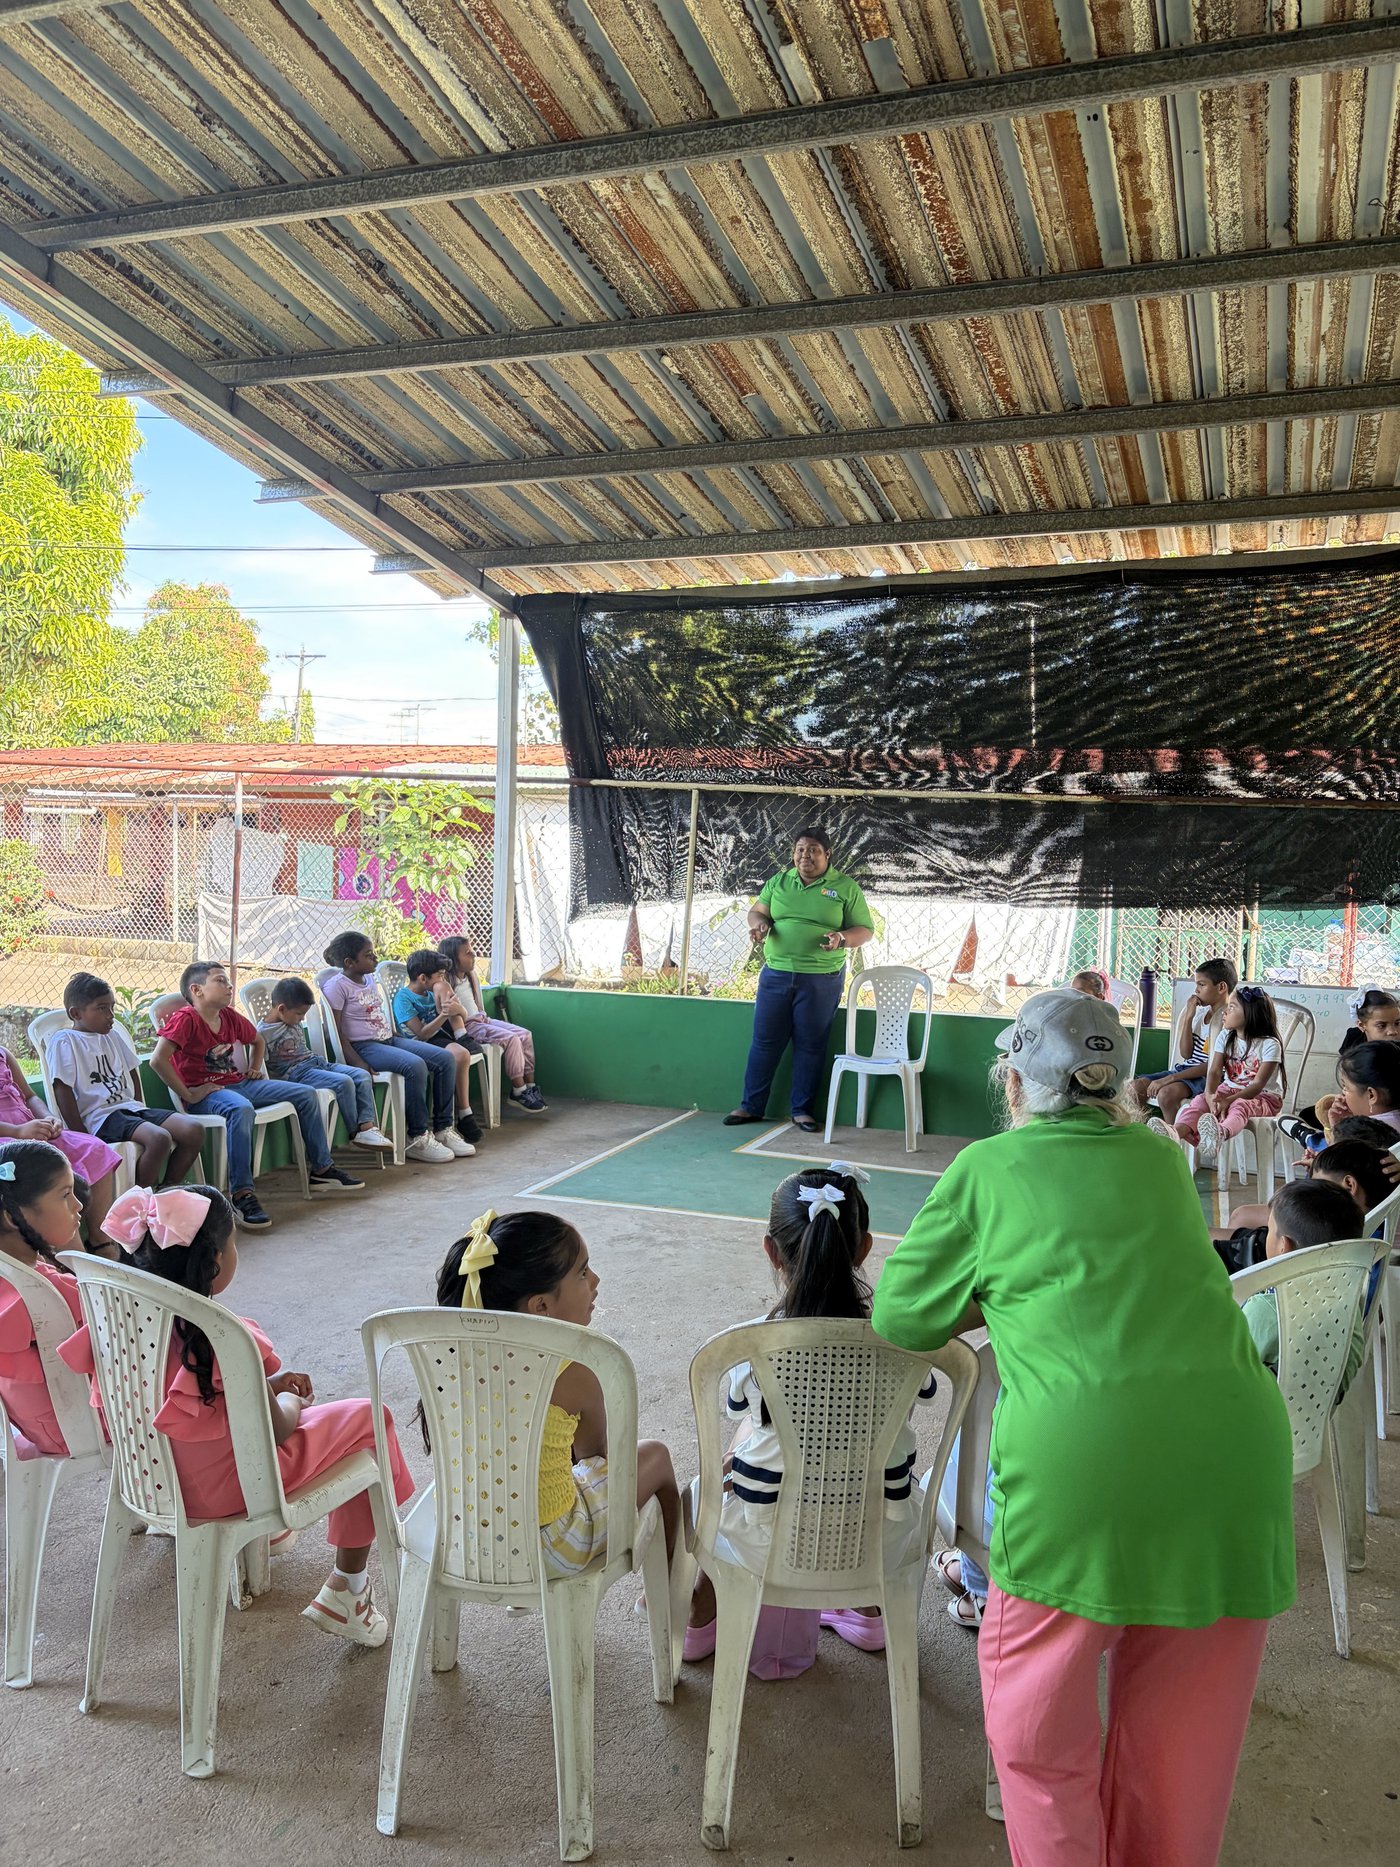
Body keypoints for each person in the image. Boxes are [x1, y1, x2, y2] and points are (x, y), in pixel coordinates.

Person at [871, 988, 1295, 1867]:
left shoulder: (989, 1169)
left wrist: (992, 1292)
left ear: (1013, 1082)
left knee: (1037, 1741)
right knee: (1180, 1758)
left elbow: (904, 1315)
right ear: (1117, 1088)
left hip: (1083, 1477)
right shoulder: (1161, 1161)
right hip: (1237, 1462)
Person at [59, 1183, 415, 1644]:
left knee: (316, 1424)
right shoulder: (220, 1336)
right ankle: (348, 1588)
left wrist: (265, 1386)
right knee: (370, 1419)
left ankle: (273, 1542)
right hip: (232, 1489)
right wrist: (291, 1400)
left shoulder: (122, 1324)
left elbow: (194, 1405)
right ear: (215, 1260)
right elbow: (279, 1429)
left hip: (157, 1481)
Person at [683, 1163, 937, 1674]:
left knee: (738, 1449)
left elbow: (744, 1414)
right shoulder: (903, 1339)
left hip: (767, 1544)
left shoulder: (752, 1344)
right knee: (878, 1439)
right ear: (864, 1248)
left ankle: (698, 1610)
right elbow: (910, 1406)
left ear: (771, 1250)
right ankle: (867, 1608)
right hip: (877, 1544)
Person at [426, 1209, 679, 1575]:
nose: (595, 1279)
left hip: (459, 1534)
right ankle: (676, 1592)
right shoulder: (576, 1368)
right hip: (549, 1547)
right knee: (655, 1455)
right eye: (583, 1272)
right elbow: (595, 1456)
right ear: (541, 1305)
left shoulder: (448, 1359)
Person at [152, 962, 364, 1230]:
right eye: (220, 981)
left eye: (228, 981)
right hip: (209, 1093)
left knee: (306, 1094)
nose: (229, 986)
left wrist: (254, 1067)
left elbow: (257, 1041)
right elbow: (157, 1060)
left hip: (239, 1084)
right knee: (240, 1108)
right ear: (197, 990)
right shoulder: (186, 1019)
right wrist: (189, 1095)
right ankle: (241, 1194)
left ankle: (321, 1170)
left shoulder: (228, 1016)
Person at [725, 828, 874, 1134]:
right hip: (776, 974)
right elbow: (757, 912)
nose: (806, 855)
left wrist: (841, 938)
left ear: (827, 854)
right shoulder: (779, 882)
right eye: (800, 850)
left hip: (821, 979)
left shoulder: (844, 887)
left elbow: (865, 930)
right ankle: (751, 1106)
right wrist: (760, 925)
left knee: (810, 1044)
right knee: (765, 1042)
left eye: (814, 850)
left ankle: (802, 1111)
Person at [48, 971, 204, 1191]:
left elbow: (132, 1071)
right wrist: (82, 1135)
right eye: (102, 1008)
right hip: (101, 1118)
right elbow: (62, 1089)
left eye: (112, 1007)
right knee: (159, 1139)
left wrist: (139, 1104)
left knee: (193, 1130)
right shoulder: (65, 1041)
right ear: (76, 1013)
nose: (110, 1015)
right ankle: (140, 1200)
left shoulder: (112, 1035)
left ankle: (166, 1189)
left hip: (131, 1109)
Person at [320, 933, 468, 1165]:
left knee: (445, 1058)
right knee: (415, 1066)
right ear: (350, 962)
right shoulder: (336, 987)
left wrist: (392, 1034)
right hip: (364, 1047)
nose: (375, 958)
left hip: (389, 1039)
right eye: (368, 955)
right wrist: (357, 1061)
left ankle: (443, 1129)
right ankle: (417, 1137)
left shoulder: (369, 978)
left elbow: (375, 1014)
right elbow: (334, 1032)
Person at [1240, 1178, 1370, 1398]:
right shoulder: (1349, 1306)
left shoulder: (1264, 1309)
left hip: (1260, 1412)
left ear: (1284, 1245)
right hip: (1320, 1409)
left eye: (1270, 1230)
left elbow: (1230, 1368)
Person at [0, 1139, 87, 1457]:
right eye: (65, 1195)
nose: (78, 1205)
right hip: (78, 1426)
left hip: (34, 1425)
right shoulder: (48, 1291)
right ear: (13, 1217)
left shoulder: (10, 1275)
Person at [255, 976, 393, 1153]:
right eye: (299, 1014)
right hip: (297, 1073)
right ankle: (355, 1132)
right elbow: (263, 1066)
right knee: (344, 1082)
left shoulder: (290, 1018)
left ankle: (367, 1127)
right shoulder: (263, 1033)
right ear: (281, 1009)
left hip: (317, 1062)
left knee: (362, 1075)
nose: (301, 1019)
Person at [0, 1040, 119, 1239]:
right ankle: (72, 1251)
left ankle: (101, 1240)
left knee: (95, 1149)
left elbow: (29, 1097)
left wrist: (48, 1118)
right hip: (8, 1139)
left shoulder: (3, 1054)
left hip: (30, 1129)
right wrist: (17, 1132)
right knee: (45, 1170)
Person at [1167, 984, 1284, 1168]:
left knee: (1240, 1105)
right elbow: (1214, 1071)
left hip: (1264, 1097)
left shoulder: (1270, 1045)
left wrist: (1228, 1101)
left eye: (1232, 1007)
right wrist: (1210, 1095)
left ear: (1250, 1014)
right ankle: (1175, 1132)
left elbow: (1257, 1085)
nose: (1225, 1011)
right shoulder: (1226, 1036)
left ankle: (1220, 1133)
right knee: (1199, 1102)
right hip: (1228, 1090)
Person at [439, 934, 548, 1114]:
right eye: (467, 952)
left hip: (482, 1019)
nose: (473, 955)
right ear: (452, 959)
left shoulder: (470, 975)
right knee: (511, 1039)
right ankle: (518, 1090)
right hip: (469, 1026)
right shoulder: (446, 983)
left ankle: (530, 1087)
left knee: (525, 1035)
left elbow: (477, 1005)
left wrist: (484, 1017)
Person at [1280, 986, 1400, 1146]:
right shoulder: (1354, 1040)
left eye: (1397, 1023)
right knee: (1313, 1113)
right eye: (1382, 1025)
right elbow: (1351, 1083)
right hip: (1367, 1103)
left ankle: (1315, 1141)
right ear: (1362, 1025)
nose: (1393, 1031)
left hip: (1382, 1107)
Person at [389, 949, 484, 1147]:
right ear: (423, 978)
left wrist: (458, 1010)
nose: (442, 979)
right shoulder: (403, 999)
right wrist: (444, 1014)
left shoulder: (434, 990)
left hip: (439, 1035)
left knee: (461, 1054)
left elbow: (461, 1015)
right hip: (418, 1042)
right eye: (439, 975)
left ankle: (461, 1115)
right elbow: (422, 1033)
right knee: (457, 1056)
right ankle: (451, 1121)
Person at [1130, 955, 1237, 1127]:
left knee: (1166, 1094)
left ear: (1221, 987)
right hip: (1186, 1070)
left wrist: (1170, 1078)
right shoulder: (1200, 1014)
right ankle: (1140, 1133)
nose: (1196, 990)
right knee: (1136, 1087)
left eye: (1201, 985)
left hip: (1209, 1077)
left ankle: (1175, 1137)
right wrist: (1188, 1018)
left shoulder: (1230, 1021)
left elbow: (1214, 1067)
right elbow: (1186, 1054)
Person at [1318, 1039, 1400, 1139]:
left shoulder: (1363, 1136)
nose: (1342, 1094)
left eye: (1346, 1087)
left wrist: (1337, 1130)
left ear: (1371, 1095)